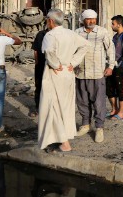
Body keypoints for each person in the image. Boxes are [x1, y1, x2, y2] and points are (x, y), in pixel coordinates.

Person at [38, 8, 90, 152]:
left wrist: (55, 64)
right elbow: (86, 45)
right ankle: (61, 138)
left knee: (52, 106)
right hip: (68, 72)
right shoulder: (71, 33)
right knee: (64, 107)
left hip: (55, 73)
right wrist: (73, 62)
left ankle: (64, 142)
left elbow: (49, 51)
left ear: (50, 21)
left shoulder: (50, 35)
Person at [74, 9, 116, 143]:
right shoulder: (76, 33)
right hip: (80, 73)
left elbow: (111, 49)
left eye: (93, 19)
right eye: (88, 19)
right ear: (83, 20)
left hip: (98, 73)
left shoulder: (102, 32)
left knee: (99, 103)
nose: (91, 21)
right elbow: (72, 49)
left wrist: (110, 66)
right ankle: (85, 125)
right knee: (82, 101)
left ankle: (99, 128)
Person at [30, 25, 49, 118]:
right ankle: (38, 108)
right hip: (41, 65)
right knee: (39, 86)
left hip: (53, 67)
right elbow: (35, 50)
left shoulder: (59, 34)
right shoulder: (40, 34)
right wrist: (37, 63)